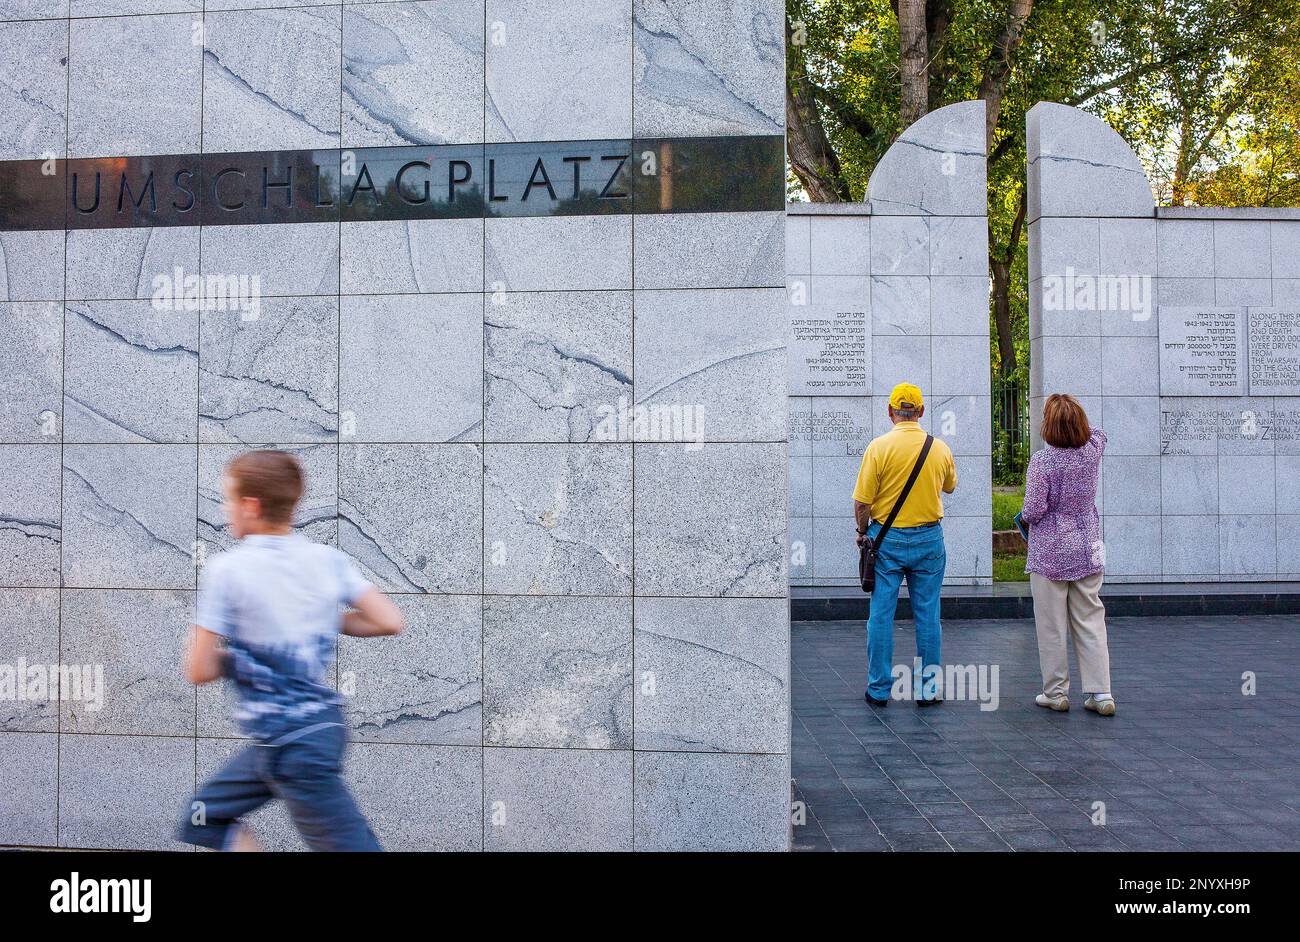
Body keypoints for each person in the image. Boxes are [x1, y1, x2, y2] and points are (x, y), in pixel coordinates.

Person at [177, 450, 405, 851]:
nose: (223, 509)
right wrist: (319, 618)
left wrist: (212, 647)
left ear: (250, 506)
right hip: (301, 734)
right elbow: (388, 619)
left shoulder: (227, 570)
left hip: (293, 744)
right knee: (202, 816)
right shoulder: (327, 560)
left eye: (227, 499)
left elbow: (198, 669)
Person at [853, 382, 957, 707]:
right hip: (929, 539)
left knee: (881, 615)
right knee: (928, 616)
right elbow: (951, 486)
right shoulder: (938, 448)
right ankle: (927, 691)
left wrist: (862, 531)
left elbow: (862, 502)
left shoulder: (878, 448)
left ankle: (879, 688)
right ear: (921, 412)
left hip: (887, 539)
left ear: (890, 412)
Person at [1022, 393, 1115, 716]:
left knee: (1051, 624)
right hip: (1088, 543)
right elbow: (1100, 432)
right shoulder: (1092, 450)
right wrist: (1078, 425)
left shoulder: (1043, 462)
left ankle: (1056, 692)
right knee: (1091, 618)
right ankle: (1101, 692)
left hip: (1051, 549)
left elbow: (1033, 509)